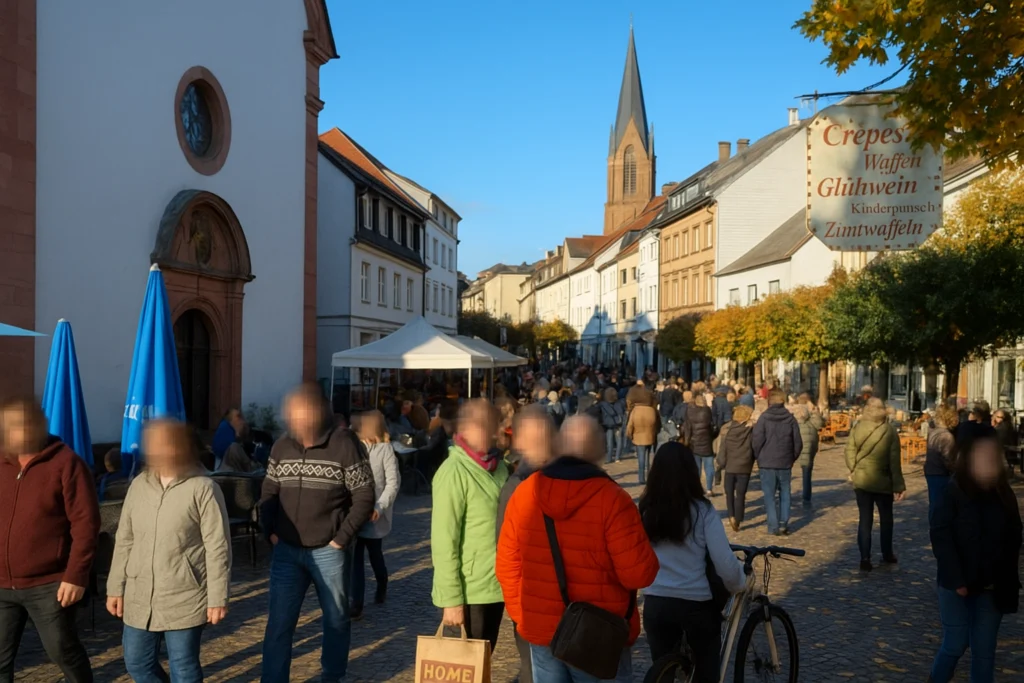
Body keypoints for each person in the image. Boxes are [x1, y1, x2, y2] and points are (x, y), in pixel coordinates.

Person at [496, 416, 659, 683]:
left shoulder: (525, 493)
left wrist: (526, 617)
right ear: (598, 451)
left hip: (543, 631)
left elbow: (506, 566)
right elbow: (639, 575)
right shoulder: (614, 499)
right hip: (598, 634)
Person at [260, 383, 376, 683]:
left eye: (303, 412)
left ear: (318, 412)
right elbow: (269, 491)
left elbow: (364, 495)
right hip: (287, 551)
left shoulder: (344, 444)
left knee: (336, 621)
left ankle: (332, 677)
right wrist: (269, 530)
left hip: (329, 551)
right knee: (278, 625)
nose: (297, 418)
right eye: (293, 413)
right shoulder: (281, 446)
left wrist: (341, 538)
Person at [107, 419, 232, 683]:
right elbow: (125, 539)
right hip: (139, 594)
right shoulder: (139, 485)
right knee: (137, 663)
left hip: (185, 595)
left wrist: (217, 597)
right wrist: (115, 587)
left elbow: (217, 546)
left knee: (183, 668)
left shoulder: (203, 488)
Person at [0, 397, 99, 683]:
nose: (15, 431)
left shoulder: (66, 463)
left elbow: (86, 524)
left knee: (62, 652)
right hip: (2, 584)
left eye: (21, 424)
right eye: (9, 426)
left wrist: (76, 576)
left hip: (49, 584)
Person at [641, 442, 747, 683]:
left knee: (662, 673)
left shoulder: (647, 510)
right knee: (706, 671)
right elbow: (724, 562)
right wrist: (739, 583)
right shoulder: (702, 511)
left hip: (656, 602)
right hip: (695, 604)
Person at [929, 423, 1022, 683]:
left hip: (992, 586)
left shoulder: (1003, 493)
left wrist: (1006, 575)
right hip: (956, 584)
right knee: (955, 643)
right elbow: (940, 536)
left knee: (984, 652)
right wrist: (956, 578)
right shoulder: (952, 491)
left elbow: (1015, 535)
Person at [432, 399, 509, 651]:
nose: (496, 433)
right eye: (489, 427)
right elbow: (444, 541)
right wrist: (451, 600)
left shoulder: (499, 467)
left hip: (495, 584)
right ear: (468, 428)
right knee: (469, 663)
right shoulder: (453, 472)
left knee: (484, 659)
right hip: (470, 590)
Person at [496, 405, 558, 683]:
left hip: (541, 605)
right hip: (547, 604)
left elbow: (505, 554)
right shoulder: (519, 483)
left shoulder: (518, 483)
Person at [349, 411, 401, 621]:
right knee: (355, 557)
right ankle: (356, 603)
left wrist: (380, 507)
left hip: (374, 514)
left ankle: (382, 582)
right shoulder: (354, 447)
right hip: (355, 512)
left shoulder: (385, 449)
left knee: (374, 554)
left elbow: (392, 483)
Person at [845, 398, 905, 571]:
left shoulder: (858, 427)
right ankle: (887, 553)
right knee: (886, 520)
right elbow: (894, 461)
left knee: (865, 520)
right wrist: (899, 485)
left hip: (862, 480)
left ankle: (865, 557)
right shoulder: (889, 430)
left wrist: (853, 467)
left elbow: (849, 450)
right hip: (883, 480)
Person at [752, 390, 802, 536]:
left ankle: (773, 526)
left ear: (769, 402)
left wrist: (758, 456)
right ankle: (783, 523)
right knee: (785, 493)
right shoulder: (790, 419)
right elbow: (798, 443)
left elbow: (756, 440)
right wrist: (791, 458)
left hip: (767, 462)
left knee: (769, 495)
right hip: (784, 461)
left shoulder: (764, 418)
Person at [716, 404, 755, 532]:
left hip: (730, 467)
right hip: (744, 466)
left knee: (729, 494)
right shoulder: (750, 431)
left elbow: (723, 449)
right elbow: (754, 447)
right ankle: (738, 518)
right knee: (741, 494)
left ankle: (731, 515)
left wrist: (721, 463)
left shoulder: (728, 430)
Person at [925, 405, 959, 521]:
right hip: (941, 473)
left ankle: (934, 526)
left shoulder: (933, 432)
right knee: (940, 506)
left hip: (931, 470)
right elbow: (948, 459)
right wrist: (955, 471)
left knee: (934, 504)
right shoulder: (946, 436)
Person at [626, 388, 661, 485]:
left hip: (638, 436)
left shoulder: (635, 410)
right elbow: (658, 424)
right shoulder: (652, 410)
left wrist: (629, 435)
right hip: (650, 435)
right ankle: (649, 475)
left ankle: (641, 478)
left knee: (641, 458)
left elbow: (630, 425)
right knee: (648, 456)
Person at [684, 395, 715, 496]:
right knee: (709, 467)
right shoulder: (707, 411)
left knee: (696, 468)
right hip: (707, 442)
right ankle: (709, 489)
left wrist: (686, 442)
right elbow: (712, 426)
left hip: (694, 442)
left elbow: (687, 428)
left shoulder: (690, 411)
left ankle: (697, 489)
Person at [793, 405, 820, 507]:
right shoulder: (812, 424)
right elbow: (820, 423)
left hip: (798, 452)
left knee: (785, 473)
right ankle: (806, 496)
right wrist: (815, 413)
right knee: (807, 474)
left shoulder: (795, 425)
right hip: (810, 452)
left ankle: (784, 494)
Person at [599, 387, 625, 464]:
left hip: (608, 424)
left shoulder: (603, 404)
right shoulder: (619, 403)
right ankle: (617, 457)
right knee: (619, 441)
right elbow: (621, 412)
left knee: (609, 442)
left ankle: (609, 458)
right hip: (618, 423)